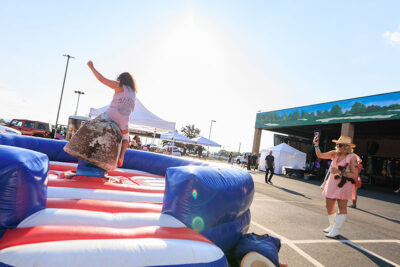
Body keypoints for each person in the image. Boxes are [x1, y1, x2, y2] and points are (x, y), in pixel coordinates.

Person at [88, 60, 137, 167]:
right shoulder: (133, 93)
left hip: (110, 116)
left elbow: (102, 79)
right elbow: (132, 109)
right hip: (123, 121)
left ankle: (89, 146)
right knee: (125, 138)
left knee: (91, 124)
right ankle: (121, 157)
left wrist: (91, 67)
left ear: (121, 80)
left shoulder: (119, 86)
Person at [314, 135, 358, 238]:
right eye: (337, 144)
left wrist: (339, 171)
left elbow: (355, 175)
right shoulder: (334, 154)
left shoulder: (352, 157)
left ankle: (336, 231)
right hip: (332, 182)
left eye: (340, 144)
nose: (337, 146)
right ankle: (332, 225)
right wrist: (316, 145)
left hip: (344, 184)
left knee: (342, 207)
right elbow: (320, 155)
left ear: (346, 147)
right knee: (328, 206)